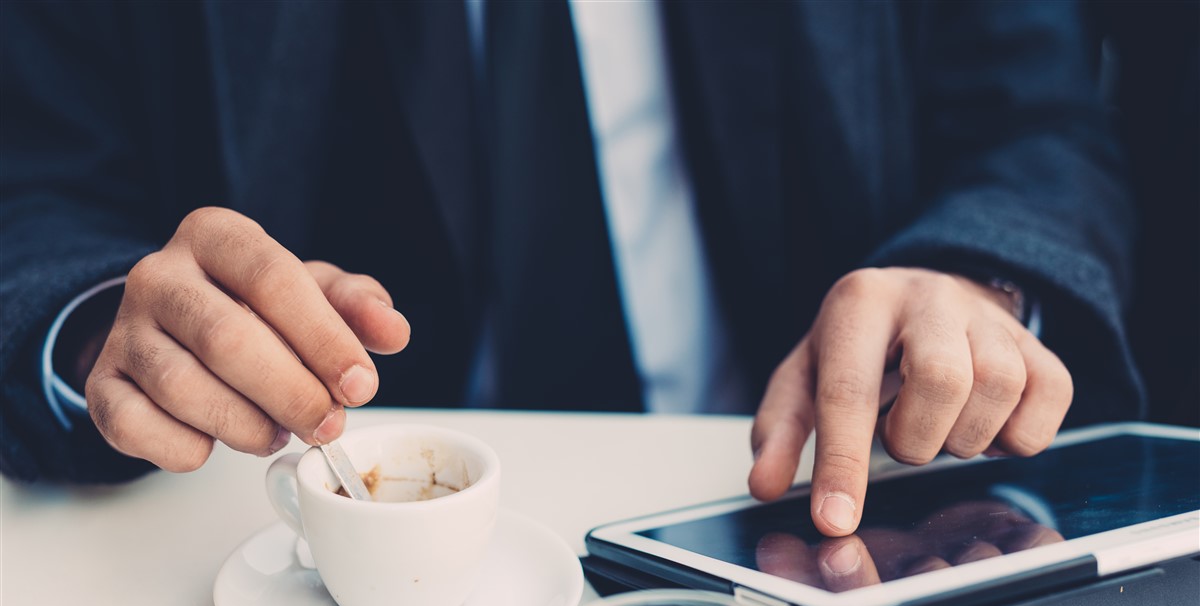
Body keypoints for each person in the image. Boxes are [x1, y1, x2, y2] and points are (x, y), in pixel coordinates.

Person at [0, 1, 1142, 538]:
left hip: (793, 511)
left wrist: (971, 281)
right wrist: (106, 324)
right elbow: (38, 187)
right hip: (276, 550)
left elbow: (1038, 119)